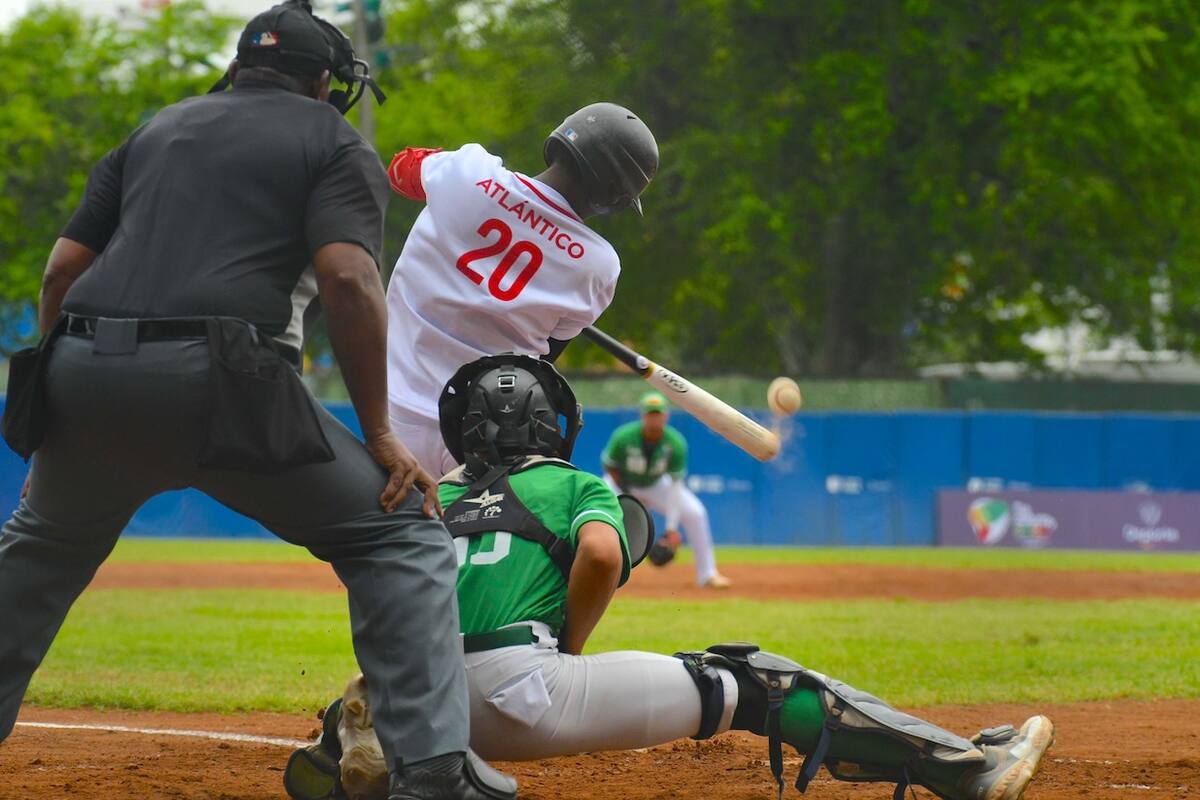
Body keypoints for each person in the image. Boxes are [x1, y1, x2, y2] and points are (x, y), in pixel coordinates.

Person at [0, 4, 514, 799]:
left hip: (82, 368)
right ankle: (435, 774)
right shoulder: (335, 139)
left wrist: (52, 429)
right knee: (402, 536)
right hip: (222, 379)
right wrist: (378, 431)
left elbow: (60, 273)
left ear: (240, 68)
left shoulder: (155, 129)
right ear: (321, 81)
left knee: (38, 554)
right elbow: (348, 280)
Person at [283, 354, 1055, 800]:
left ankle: (347, 741)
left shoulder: (430, 491)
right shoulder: (576, 483)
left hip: (418, 708)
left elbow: (376, 580)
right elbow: (602, 556)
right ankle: (966, 770)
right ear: (555, 423)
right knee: (754, 683)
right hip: (525, 691)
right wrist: (569, 642)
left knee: (371, 698)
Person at [382, 102, 659, 476]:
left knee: (378, 532)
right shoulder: (598, 266)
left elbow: (399, 170)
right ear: (615, 196)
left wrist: (455, 184)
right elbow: (541, 363)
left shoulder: (469, 171)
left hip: (386, 414)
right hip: (481, 437)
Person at [601, 391, 730, 588]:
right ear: (642, 415)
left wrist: (671, 530)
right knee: (602, 517)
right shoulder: (624, 436)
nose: (654, 419)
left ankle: (708, 575)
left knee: (696, 513)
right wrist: (628, 495)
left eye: (658, 414)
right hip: (623, 483)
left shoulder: (675, 442)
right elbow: (610, 465)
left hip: (656, 484)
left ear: (666, 416)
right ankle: (601, 576)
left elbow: (675, 486)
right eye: (650, 414)